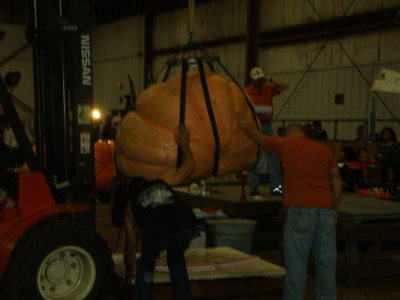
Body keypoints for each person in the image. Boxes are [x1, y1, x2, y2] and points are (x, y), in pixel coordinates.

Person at [236, 114, 342, 300]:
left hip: (300, 212)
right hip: (325, 213)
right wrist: (334, 208)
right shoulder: (324, 151)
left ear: (290, 133)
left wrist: (244, 125)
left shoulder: (286, 145)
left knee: (296, 265)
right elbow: (337, 181)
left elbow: (260, 138)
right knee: (326, 265)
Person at [123, 124, 197, 300]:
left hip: (158, 230)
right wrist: (184, 145)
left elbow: (130, 245)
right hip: (185, 224)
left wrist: (129, 274)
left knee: (146, 265)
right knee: (176, 261)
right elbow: (189, 167)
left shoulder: (131, 206)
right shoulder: (161, 182)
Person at [244, 66, 289, 197]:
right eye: (257, 80)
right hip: (253, 126)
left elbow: (286, 86)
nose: (260, 82)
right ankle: (253, 187)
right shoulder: (246, 92)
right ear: (252, 80)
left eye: (261, 79)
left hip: (266, 125)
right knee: (254, 155)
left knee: (273, 156)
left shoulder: (269, 88)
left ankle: (276, 188)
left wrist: (270, 79)